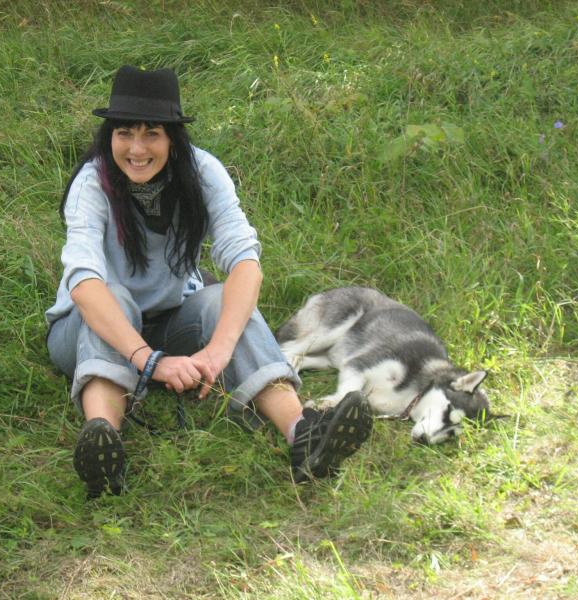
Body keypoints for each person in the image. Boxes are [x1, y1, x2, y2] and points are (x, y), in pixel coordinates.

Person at [45, 65, 373, 497]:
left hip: (169, 322)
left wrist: (218, 351)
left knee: (222, 299)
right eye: (125, 133)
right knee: (114, 294)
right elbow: (85, 285)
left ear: (173, 139)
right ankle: (105, 448)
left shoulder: (202, 172)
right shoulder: (92, 182)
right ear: (110, 136)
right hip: (84, 330)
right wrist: (149, 361)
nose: (136, 149)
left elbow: (245, 263)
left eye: (151, 134)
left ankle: (304, 435)